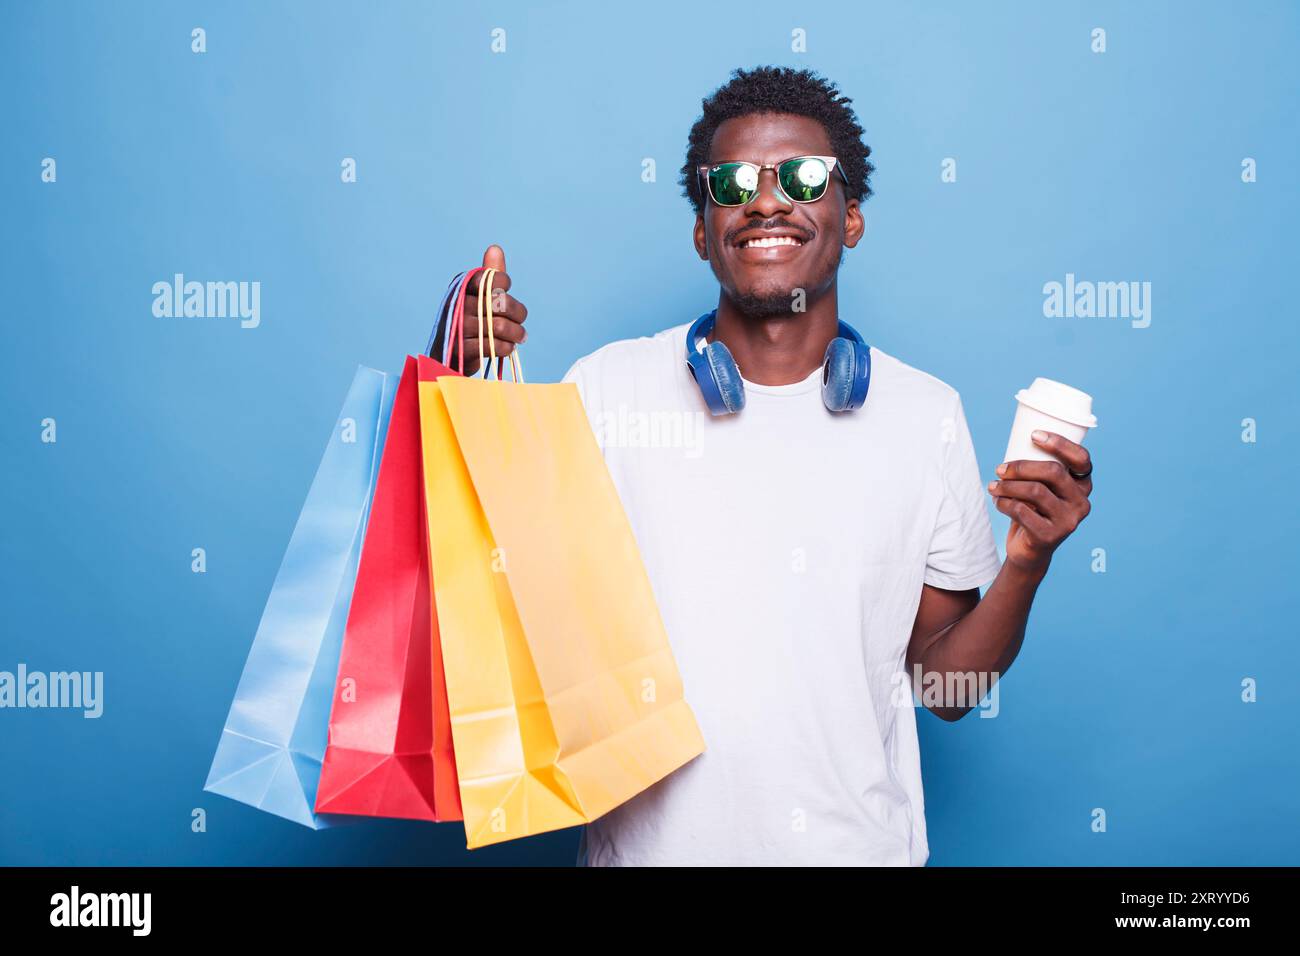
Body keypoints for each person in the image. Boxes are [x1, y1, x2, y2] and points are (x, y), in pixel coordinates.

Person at [432, 66, 1094, 866]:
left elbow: (941, 691)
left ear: (850, 218)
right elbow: (488, 591)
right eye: (733, 182)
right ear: (703, 231)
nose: (767, 199)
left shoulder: (927, 416)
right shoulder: (603, 390)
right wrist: (462, 380)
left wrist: (1027, 563)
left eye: (804, 177)